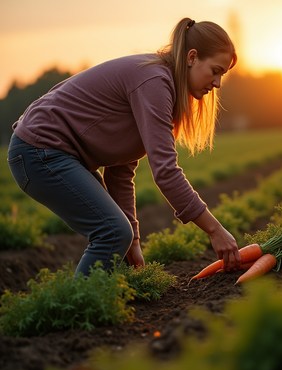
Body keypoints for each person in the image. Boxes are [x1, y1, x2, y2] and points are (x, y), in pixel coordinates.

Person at [7, 17, 240, 276]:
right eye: (216, 70)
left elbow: (121, 171)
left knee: (119, 233)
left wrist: (134, 242)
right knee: (112, 231)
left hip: (53, 153)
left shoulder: (163, 87)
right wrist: (215, 230)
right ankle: (75, 309)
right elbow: (166, 172)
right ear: (192, 57)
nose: (217, 83)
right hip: (38, 151)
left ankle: (94, 301)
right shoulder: (154, 81)